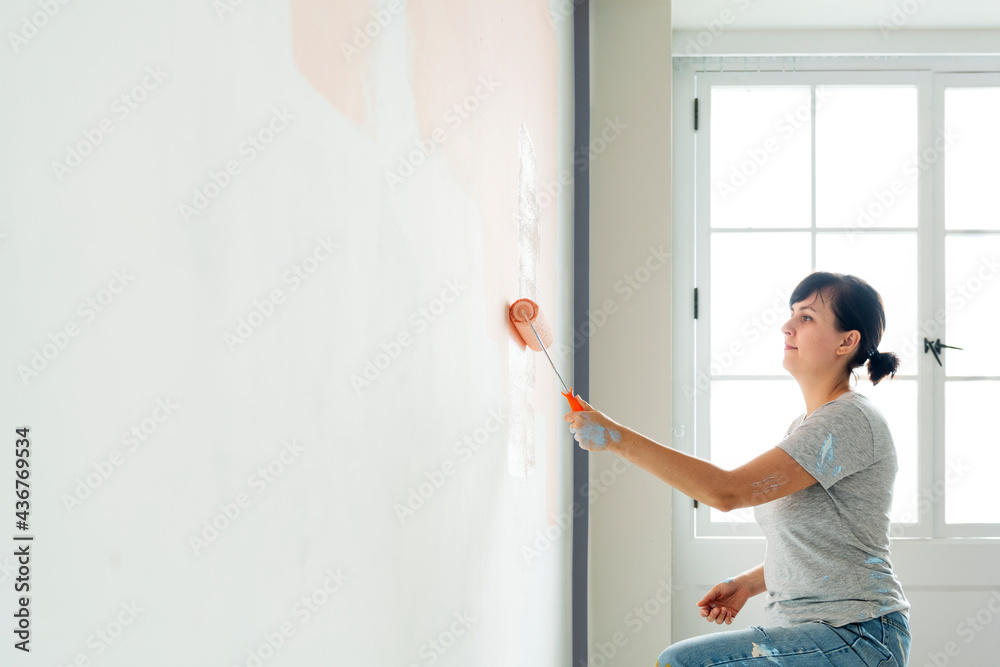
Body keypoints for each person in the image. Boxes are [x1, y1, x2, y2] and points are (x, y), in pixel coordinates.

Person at [565, 271, 911, 666]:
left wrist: (615, 437)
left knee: (682, 662)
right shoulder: (808, 426)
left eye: (807, 317)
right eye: (792, 313)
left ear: (847, 341)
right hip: (820, 631)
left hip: (857, 635)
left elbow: (725, 492)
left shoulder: (847, 420)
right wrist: (748, 584)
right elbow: (824, 544)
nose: (787, 326)